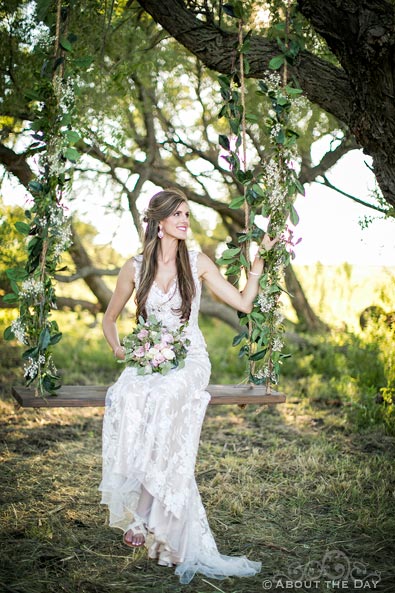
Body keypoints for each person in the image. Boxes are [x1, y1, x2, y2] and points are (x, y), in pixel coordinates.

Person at [99, 188, 278, 584]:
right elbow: (109, 320)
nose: (185, 221)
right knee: (126, 395)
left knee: (165, 397)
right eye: (178, 214)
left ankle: (144, 517)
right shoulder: (134, 268)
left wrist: (259, 259)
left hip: (189, 360)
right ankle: (147, 511)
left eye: (187, 215)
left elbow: (245, 303)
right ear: (159, 222)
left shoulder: (197, 262)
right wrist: (119, 350)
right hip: (148, 358)